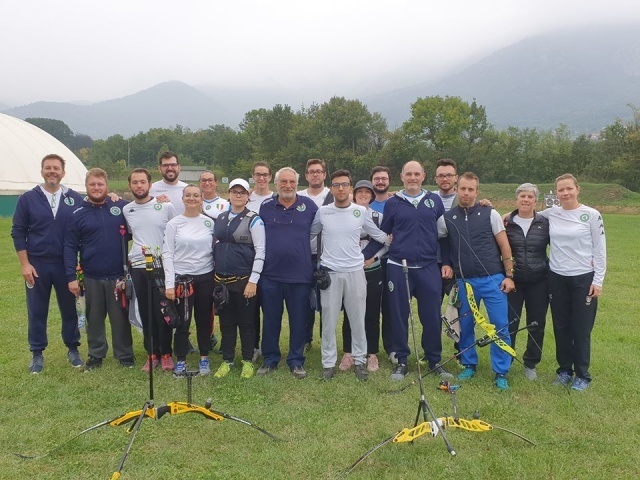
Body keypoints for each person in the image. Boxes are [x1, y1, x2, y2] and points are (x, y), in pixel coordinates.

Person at [438, 172, 515, 390]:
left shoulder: (490, 213)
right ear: (456, 188)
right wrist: (445, 262)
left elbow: (505, 246)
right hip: (464, 282)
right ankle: (469, 364)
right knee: (466, 325)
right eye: (462, 188)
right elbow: (439, 242)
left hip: (493, 280)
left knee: (500, 325)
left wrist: (509, 276)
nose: (466, 193)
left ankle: (501, 371)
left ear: (477, 191)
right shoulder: (447, 218)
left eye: (471, 189)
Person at [311, 171, 389, 381]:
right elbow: (310, 234)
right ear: (332, 187)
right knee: (328, 321)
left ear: (350, 188)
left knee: (357, 320)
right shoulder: (323, 212)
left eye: (345, 184)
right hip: (331, 273)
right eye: (336, 185)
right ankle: (328, 364)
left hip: (355, 272)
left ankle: (360, 361)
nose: (341, 189)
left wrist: (397, 239)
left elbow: (379, 236)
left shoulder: (359, 212)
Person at [380, 160, 453, 381]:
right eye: (408, 174)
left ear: (423, 176)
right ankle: (401, 360)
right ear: (401, 176)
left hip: (428, 267)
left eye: (416, 174)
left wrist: (447, 262)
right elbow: (383, 235)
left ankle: (434, 359)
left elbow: (444, 236)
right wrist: (366, 256)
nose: (412, 178)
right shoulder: (393, 203)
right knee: (399, 315)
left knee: (431, 316)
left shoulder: (434, 201)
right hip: (398, 267)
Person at [11, 153, 85, 373]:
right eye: (48, 168)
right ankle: (37, 353)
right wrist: (25, 264)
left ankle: (73, 349)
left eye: (56, 168)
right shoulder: (28, 198)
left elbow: (87, 223)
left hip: (66, 265)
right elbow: (17, 232)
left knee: (70, 309)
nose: (52, 171)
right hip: (37, 265)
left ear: (63, 172)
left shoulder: (74, 198)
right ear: (42, 171)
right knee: (36, 309)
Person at [540, 174, 606, 391]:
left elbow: (600, 249)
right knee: (561, 327)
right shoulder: (552, 213)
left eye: (569, 189)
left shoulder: (591, 215)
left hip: (583, 278)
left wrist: (598, 280)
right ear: (556, 193)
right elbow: (524, 214)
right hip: (557, 277)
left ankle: (582, 375)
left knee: (580, 328)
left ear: (578, 189)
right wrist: (495, 211)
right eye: (561, 190)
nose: (565, 193)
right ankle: (565, 371)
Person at [65, 168, 134, 370]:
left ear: (107, 186)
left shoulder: (120, 206)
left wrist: (160, 200)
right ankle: (96, 354)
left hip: (118, 275)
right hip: (91, 276)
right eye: (92, 184)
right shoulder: (77, 213)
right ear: (86, 187)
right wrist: (71, 276)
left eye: (100, 184)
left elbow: (143, 209)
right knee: (94, 318)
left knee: (120, 318)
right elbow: (69, 247)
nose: (97, 188)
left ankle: (125, 354)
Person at [258, 167, 318, 379]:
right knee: (271, 319)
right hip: (270, 275)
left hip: (300, 276)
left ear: (297, 184)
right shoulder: (265, 207)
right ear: (276, 184)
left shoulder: (309, 206)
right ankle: (270, 359)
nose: (288, 185)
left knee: (298, 320)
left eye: (292, 182)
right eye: (283, 181)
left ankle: (296, 360)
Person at [123, 168, 177, 372]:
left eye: (142, 182)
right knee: (145, 311)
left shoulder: (165, 206)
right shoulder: (127, 210)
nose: (139, 186)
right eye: (135, 182)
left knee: (163, 311)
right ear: (130, 186)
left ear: (149, 184)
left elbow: (175, 233)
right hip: (138, 267)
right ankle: (151, 353)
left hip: (161, 266)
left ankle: (166, 354)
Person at [212, 179, 265, 379]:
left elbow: (261, 250)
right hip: (222, 280)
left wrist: (253, 280)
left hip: (244, 279)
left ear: (247, 196)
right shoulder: (221, 217)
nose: (238, 195)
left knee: (246, 322)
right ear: (229, 194)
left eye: (242, 192)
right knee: (226, 322)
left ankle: (247, 360)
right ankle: (227, 360)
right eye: (235, 192)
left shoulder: (254, 219)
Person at [162, 184, 215, 376]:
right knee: (183, 321)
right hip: (182, 280)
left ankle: (204, 357)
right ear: (182, 199)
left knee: (203, 319)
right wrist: (169, 284)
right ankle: (181, 359)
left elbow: (214, 250)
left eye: (196, 195)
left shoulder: (209, 222)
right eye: (188, 195)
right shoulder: (174, 224)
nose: (192, 198)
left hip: (206, 277)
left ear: (202, 198)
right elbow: (167, 253)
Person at [339, 180, 388, 373]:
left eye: (367, 192)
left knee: (372, 313)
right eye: (359, 192)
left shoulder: (378, 216)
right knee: (350, 313)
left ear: (372, 196)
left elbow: (386, 242)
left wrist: (373, 257)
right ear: (354, 194)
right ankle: (348, 352)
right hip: (350, 270)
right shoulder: (344, 214)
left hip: (372, 269)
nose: (363, 195)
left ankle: (372, 353)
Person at [504, 183, 549, 381]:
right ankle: (506, 360)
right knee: (509, 323)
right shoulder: (506, 222)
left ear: (535, 201)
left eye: (530, 197)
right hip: (514, 282)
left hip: (539, 281)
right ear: (516, 199)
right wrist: (508, 276)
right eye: (522, 196)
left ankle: (531, 363)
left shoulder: (544, 223)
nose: (526, 200)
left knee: (536, 324)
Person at [298, 158, 334, 351]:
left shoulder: (333, 194)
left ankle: (326, 341)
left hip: (327, 255)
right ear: (306, 175)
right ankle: (306, 339)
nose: (315, 174)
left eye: (318, 171)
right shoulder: (298, 196)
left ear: (324, 174)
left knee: (328, 301)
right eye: (311, 171)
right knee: (305, 300)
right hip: (304, 255)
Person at [246, 161, 274, 362]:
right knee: (252, 308)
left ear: (270, 177)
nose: (261, 178)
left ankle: (269, 347)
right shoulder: (246, 198)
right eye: (258, 174)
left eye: (265, 174)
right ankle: (254, 346)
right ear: (253, 177)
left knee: (270, 309)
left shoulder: (276, 198)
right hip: (250, 260)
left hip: (272, 261)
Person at [368, 166, 394, 363]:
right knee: (371, 306)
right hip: (369, 262)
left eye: (383, 178)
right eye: (377, 179)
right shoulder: (365, 205)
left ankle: (392, 348)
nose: (380, 182)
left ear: (389, 181)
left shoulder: (396, 202)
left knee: (391, 305)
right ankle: (371, 349)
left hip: (391, 261)